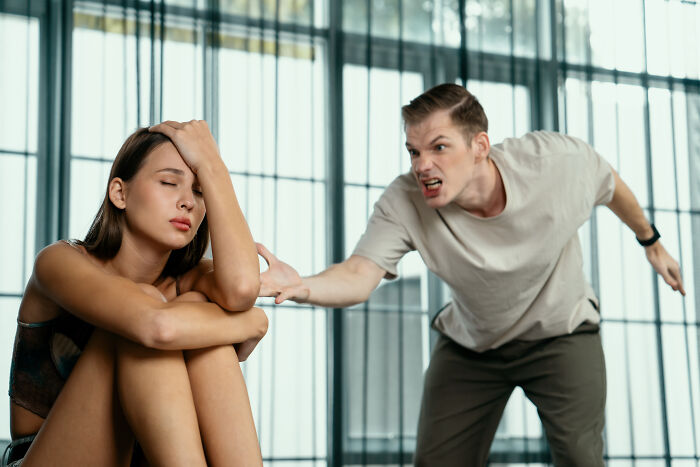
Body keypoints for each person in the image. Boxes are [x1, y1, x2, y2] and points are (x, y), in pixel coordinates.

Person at [257, 83, 686, 466]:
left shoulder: (554, 163)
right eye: (414, 151)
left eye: (438, 147)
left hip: (561, 332)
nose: (422, 165)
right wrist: (303, 286)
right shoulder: (405, 201)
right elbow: (358, 274)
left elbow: (609, 183)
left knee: (580, 458)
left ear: (480, 146)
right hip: (473, 346)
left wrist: (650, 241)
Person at [3, 121, 267, 467]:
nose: (188, 202)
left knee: (194, 314)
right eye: (169, 183)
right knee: (144, 317)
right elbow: (156, 327)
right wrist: (254, 322)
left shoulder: (189, 281)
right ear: (120, 193)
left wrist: (214, 167)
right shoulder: (58, 263)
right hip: (46, 457)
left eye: (200, 191)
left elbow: (242, 290)